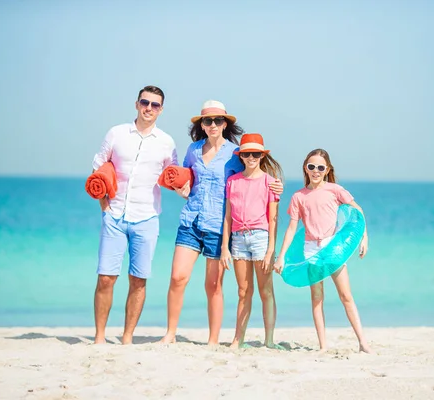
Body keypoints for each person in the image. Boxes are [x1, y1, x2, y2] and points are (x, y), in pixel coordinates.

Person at [159, 101, 283, 345]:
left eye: (218, 120)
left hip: (218, 226)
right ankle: (170, 334)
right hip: (191, 220)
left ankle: (213, 340)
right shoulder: (193, 150)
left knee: (213, 284)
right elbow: (185, 179)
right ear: (202, 125)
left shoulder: (234, 154)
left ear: (225, 124)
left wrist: (276, 185)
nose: (213, 124)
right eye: (208, 121)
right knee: (177, 278)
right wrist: (180, 189)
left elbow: (253, 174)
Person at [91, 86, 178, 345]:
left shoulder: (166, 142)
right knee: (106, 277)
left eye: (155, 105)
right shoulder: (116, 133)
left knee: (138, 280)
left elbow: (172, 176)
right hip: (115, 216)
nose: (149, 108)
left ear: (161, 110)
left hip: (147, 217)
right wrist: (104, 205)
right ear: (137, 103)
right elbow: (98, 166)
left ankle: (127, 338)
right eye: (145, 102)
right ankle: (99, 338)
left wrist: (184, 187)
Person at [274, 148, 372, 353]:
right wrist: (281, 256)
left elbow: (357, 212)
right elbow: (292, 228)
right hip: (311, 250)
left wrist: (364, 238)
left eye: (320, 167)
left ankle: (363, 342)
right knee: (317, 297)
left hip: (333, 248)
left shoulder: (335, 190)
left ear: (327, 169)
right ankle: (323, 346)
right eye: (312, 166)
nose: (316, 171)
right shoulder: (299, 196)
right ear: (305, 168)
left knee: (346, 296)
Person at [220, 133, 284, 349]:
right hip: (238, 240)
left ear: (262, 156)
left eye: (256, 154)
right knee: (243, 292)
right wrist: (224, 248)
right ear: (241, 156)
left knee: (266, 291)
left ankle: (269, 340)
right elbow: (227, 217)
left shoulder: (270, 183)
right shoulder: (232, 181)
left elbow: (273, 219)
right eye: (247, 154)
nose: (251, 157)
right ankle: (238, 340)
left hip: (260, 238)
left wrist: (270, 251)